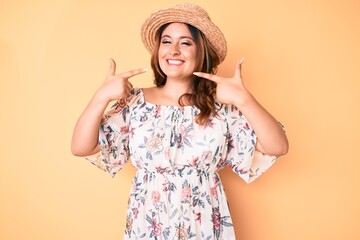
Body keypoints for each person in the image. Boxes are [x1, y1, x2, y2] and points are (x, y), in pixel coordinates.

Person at [71, 3, 288, 240]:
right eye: (166, 41)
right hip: (148, 223)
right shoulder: (135, 102)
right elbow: (81, 147)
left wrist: (244, 99)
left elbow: (277, 146)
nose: (173, 50)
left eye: (185, 42)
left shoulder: (218, 105)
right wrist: (100, 97)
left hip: (203, 224)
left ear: (201, 52)